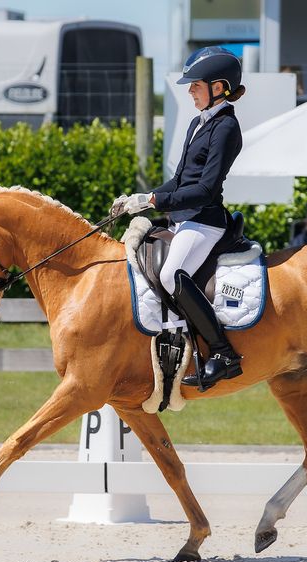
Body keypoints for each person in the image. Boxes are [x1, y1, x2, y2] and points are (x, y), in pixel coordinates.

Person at [112, 46, 246, 390]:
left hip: (204, 220)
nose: (190, 91)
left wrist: (156, 200)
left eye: (196, 85)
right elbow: (180, 179)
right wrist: (140, 200)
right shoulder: (196, 123)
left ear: (219, 87)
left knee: (173, 274)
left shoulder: (226, 128)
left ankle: (222, 353)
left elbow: (204, 189)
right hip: (182, 219)